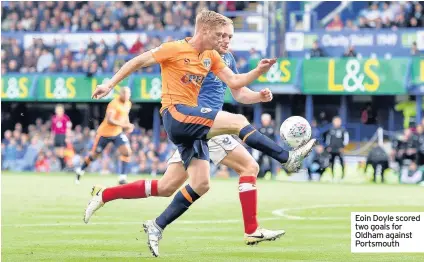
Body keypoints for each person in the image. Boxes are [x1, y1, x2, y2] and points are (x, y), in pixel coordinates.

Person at [87, 10, 316, 257]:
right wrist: (109, 84)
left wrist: (259, 74)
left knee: (193, 184)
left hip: (197, 125)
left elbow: (236, 83)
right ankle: (287, 159)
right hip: (177, 115)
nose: (226, 40)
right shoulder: (174, 48)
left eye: (229, 36)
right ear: (205, 31)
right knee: (239, 129)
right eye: (222, 35)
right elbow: (137, 61)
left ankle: (151, 222)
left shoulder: (214, 57)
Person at [75, 87, 133, 184]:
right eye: (125, 94)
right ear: (121, 94)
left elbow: (125, 116)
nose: (127, 96)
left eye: (128, 94)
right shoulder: (114, 103)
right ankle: (80, 170)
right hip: (104, 133)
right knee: (94, 155)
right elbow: (110, 120)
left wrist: (128, 125)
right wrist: (124, 125)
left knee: (127, 152)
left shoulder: (128, 104)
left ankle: (122, 177)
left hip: (117, 133)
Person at [325, 116, 349, 181]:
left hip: (340, 150)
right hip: (332, 150)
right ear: (333, 122)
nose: (337, 122)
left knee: (341, 162)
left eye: (338, 121)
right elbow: (328, 139)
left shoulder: (343, 130)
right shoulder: (330, 130)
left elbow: (346, 140)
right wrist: (328, 146)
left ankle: (342, 176)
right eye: (335, 121)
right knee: (331, 163)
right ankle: (332, 176)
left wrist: (343, 147)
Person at [51, 104, 71, 170]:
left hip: (63, 135)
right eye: (58, 110)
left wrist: (67, 137)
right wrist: (52, 138)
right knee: (57, 152)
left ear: (63, 111)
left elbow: (68, 128)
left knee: (62, 152)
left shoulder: (66, 118)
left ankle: (63, 166)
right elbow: (53, 130)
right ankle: (61, 166)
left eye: (60, 110)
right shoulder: (54, 118)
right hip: (57, 136)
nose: (59, 111)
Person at [257, 113, 276, 178]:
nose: (265, 121)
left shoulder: (272, 129)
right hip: (261, 148)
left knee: (271, 162)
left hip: (269, 148)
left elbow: (274, 139)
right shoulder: (259, 128)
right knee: (259, 162)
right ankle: (258, 175)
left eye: (267, 120)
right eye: (264, 120)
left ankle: (272, 175)